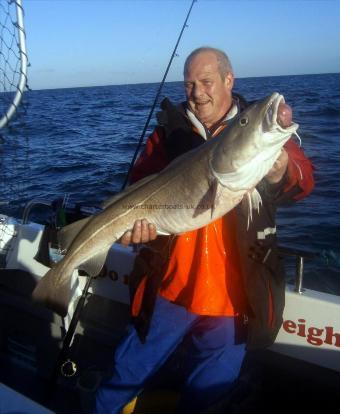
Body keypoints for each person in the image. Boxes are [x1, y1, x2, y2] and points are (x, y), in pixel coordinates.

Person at [94, 47, 314, 413]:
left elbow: (302, 181)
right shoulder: (168, 132)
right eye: (190, 84)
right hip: (169, 288)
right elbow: (137, 186)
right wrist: (137, 230)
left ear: (229, 80)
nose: (197, 92)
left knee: (207, 398)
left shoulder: (255, 131)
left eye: (207, 82)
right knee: (124, 374)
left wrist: (281, 169)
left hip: (233, 298)